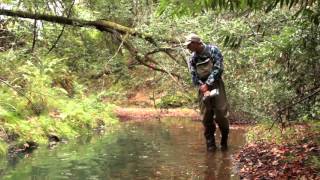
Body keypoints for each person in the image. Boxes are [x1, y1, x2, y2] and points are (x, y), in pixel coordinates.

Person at [184, 33, 229, 151]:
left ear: (196, 43)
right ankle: (210, 145)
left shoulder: (213, 50)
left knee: (221, 113)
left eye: (189, 45)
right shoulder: (192, 58)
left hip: (216, 84)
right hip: (202, 88)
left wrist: (208, 83)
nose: (188, 47)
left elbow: (219, 68)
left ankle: (224, 141)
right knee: (206, 116)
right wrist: (202, 86)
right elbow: (193, 75)